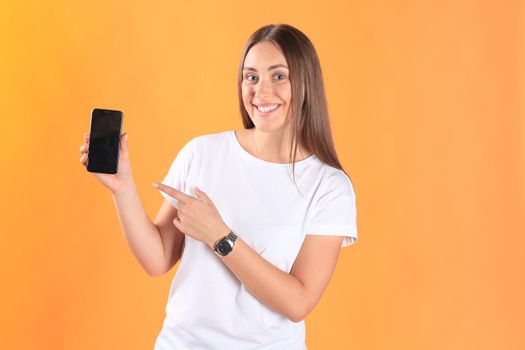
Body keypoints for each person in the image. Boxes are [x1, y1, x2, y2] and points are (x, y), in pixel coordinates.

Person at [79, 23, 358, 350]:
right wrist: (122, 188)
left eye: (279, 76)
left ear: (307, 84)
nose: (261, 91)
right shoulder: (202, 152)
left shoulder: (329, 186)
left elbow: (297, 302)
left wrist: (219, 235)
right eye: (251, 77)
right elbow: (157, 259)